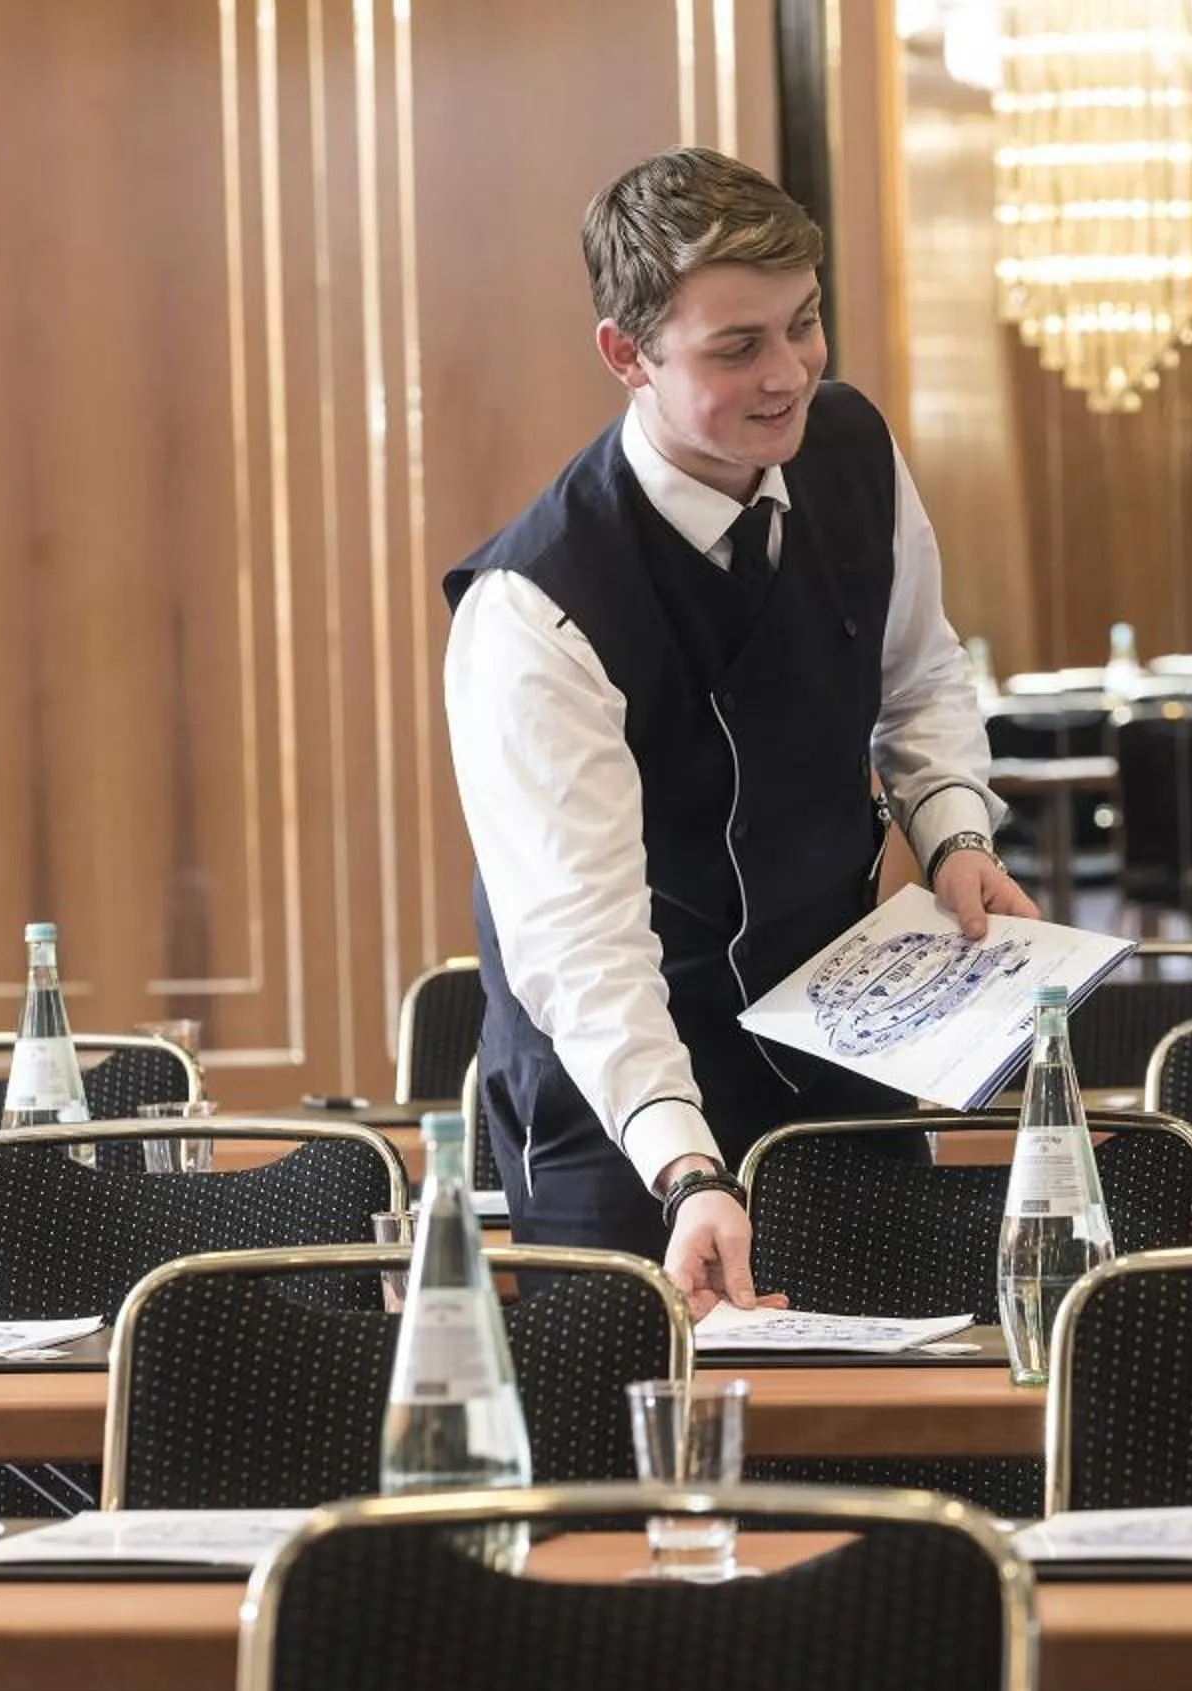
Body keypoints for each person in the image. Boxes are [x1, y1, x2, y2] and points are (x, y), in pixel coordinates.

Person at [442, 147, 1036, 1315]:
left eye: (804, 326)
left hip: (837, 1059)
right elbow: (585, 954)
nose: (790, 376)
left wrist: (957, 833)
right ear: (627, 354)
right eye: (737, 348)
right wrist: (689, 1168)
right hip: (625, 1116)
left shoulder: (852, 452)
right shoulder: (537, 608)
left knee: (879, 1444)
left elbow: (916, 677)